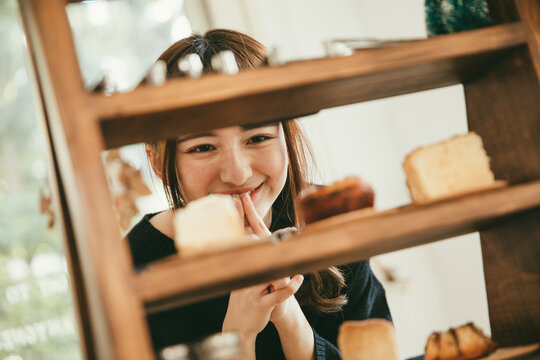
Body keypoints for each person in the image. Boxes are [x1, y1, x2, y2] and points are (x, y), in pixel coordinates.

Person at [127, 29, 391, 360]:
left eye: (258, 138)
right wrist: (237, 337)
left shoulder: (331, 219)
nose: (237, 173)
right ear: (158, 162)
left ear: (287, 134)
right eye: (203, 147)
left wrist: (292, 324)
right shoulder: (131, 267)